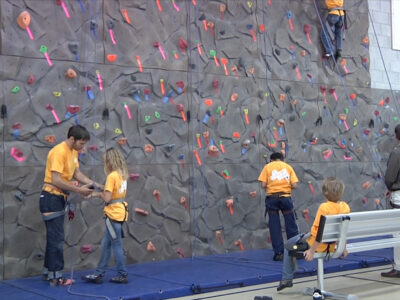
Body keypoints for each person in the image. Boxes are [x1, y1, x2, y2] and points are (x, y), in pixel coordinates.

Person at [40, 125, 104, 286]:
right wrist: (79, 190)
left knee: (54, 237)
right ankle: (57, 277)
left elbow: (77, 174)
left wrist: (95, 184)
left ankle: (49, 272)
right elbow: (56, 179)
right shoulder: (59, 152)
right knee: (57, 239)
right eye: (81, 144)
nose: (83, 148)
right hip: (50, 197)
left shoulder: (73, 152)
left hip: (58, 198)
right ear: (72, 139)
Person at [277, 177, 350, 291]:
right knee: (299, 239)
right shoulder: (345, 207)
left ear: (325, 193)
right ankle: (287, 278)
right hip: (331, 246)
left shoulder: (324, 207)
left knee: (288, 245)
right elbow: (344, 231)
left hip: (317, 245)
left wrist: (311, 251)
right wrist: (343, 248)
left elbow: (318, 233)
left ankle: (287, 279)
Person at [82, 147, 129, 284]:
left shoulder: (112, 176)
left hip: (113, 214)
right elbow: (114, 192)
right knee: (107, 245)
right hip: (120, 212)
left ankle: (122, 274)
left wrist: (94, 194)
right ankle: (99, 273)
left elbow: (107, 198)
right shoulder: (122, 174)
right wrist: (101, 187)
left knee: (117, 245)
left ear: (109, 161)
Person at [258, 152, 299, 261]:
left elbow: (263, 185)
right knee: (291, 224)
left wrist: (272, 185)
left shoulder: (267, 167)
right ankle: (294, 250)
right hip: (286, 198)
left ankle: (279, 253)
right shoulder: (288, 167)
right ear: (282, 159)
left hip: (272, 198)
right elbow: (295, 185)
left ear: (271, 160)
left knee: (275, 226)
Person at [381, 124, 400, 278]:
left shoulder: (397, 152)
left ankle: (399, 267)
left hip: (398, 195)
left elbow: (390, 176)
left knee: (397, 232)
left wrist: (390, 186)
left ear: (396, 136)